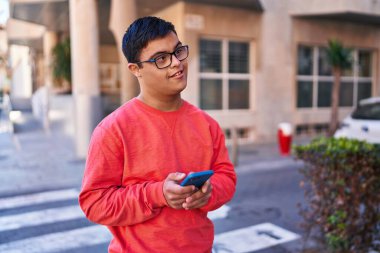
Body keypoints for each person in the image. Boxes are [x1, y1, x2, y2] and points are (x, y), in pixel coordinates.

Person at [79, 16, 236, 253]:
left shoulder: (207, 124)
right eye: (162, 58)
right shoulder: (113, 129)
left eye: (178, 51)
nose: (176, 63)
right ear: (135, 69)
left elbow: (227, 177)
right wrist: (157, 193)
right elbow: (94, 202)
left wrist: (209, 192)